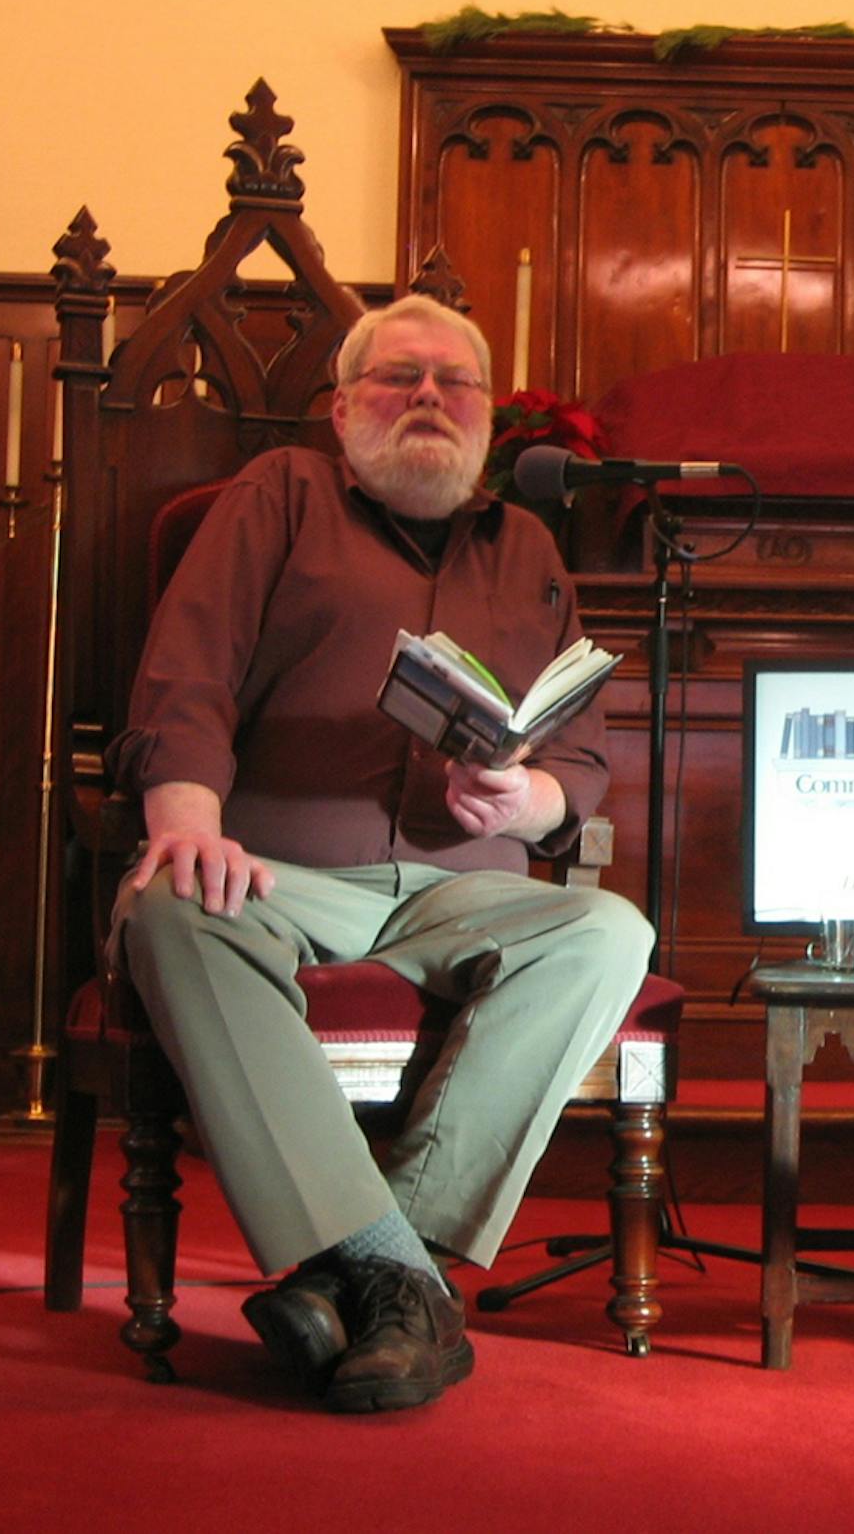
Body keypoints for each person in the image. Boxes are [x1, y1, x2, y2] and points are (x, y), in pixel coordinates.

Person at [106, 294, 653, 1413]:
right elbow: (188, 670)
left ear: (488, 417)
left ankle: (352, 1275)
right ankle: (404, 1280)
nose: (427, 400)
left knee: (610, 930)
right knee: (168, 906)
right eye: (399, 377)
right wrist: (187, 819)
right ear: (345, 404)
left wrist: (528, 793)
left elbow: (582, 766)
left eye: (454, 384)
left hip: (467, 889)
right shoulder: (282, 496)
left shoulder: (531, 548)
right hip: (283, 876)